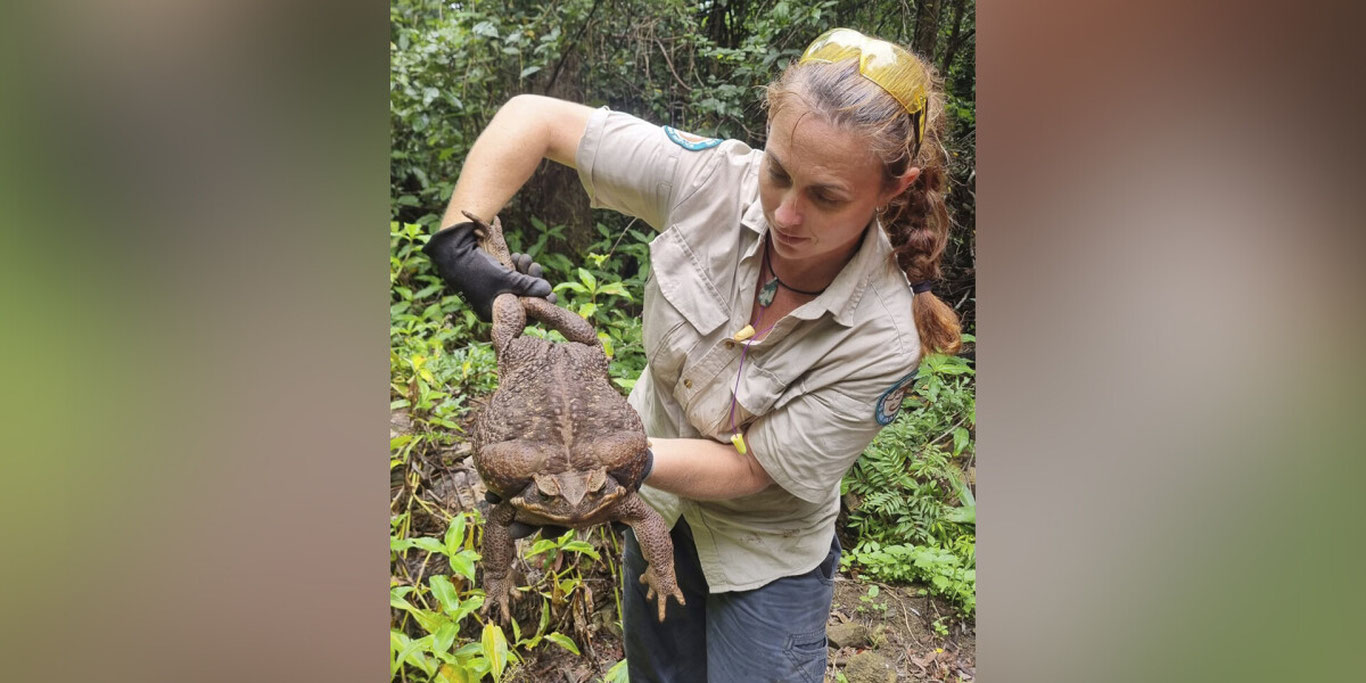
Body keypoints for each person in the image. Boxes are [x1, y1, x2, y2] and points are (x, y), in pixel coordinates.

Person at [425, 27, 961, 683]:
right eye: (779, 172)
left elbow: (752, 470)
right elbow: (534, 119)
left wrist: (605, 462)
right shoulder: (709, 179)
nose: (786, 214)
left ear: (892, 188)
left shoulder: (885, 335)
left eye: (825, 196)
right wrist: (459, 239)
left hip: (763, 552)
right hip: (654, 510)